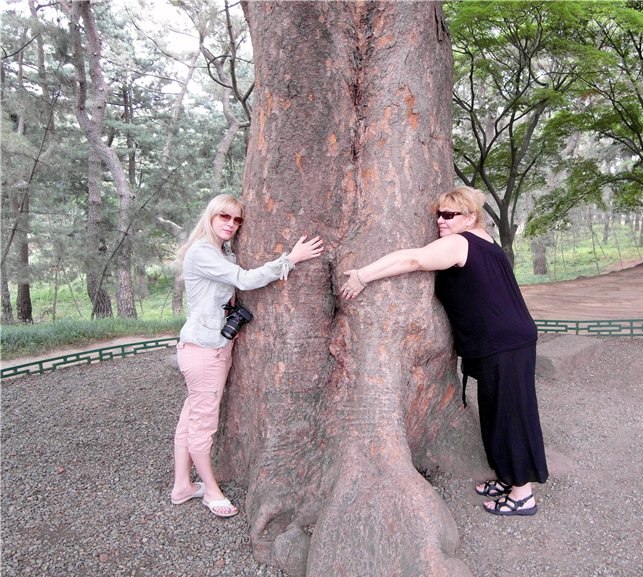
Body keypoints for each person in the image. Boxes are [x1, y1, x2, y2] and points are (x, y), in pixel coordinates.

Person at [340, 186, 547, 516]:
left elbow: (414, 259)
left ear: (470, 217)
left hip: (505, 342)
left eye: (449, 215)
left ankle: (523, 494)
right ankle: (509, 476)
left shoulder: (459, 242)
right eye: (438, 213)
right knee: (496, 412)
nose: (440, 220)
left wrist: (363, 275)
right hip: (507, 338)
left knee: (512, 414)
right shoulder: (485, 242)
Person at [170, 193, 324, 518]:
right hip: (204, 351)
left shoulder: (222, 252)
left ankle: (182, 485)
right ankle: (210, 491)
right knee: (203, 425)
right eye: (224, 217)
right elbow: (244, 279)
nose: (231, 224)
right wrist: (290, 259)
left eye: (237, 220)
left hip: (206, 347)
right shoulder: (202, 253)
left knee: (190, 418)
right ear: (211, 217)